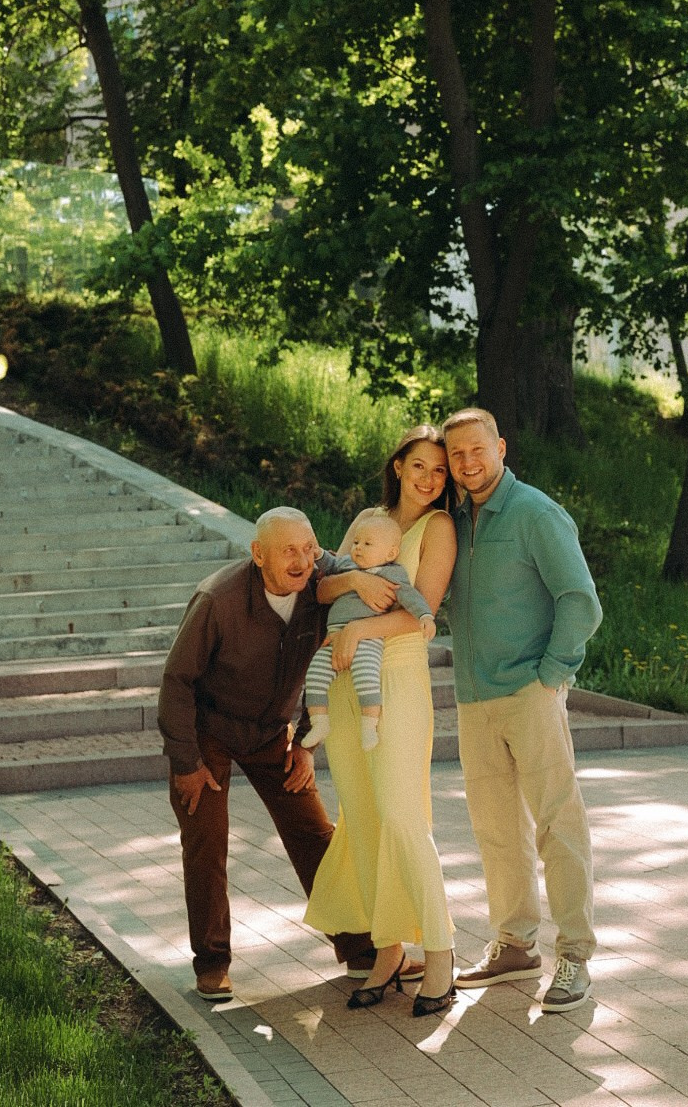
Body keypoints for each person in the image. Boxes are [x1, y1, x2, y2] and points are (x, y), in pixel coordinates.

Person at [157, 506, 374, 1002]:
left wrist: (304, 744)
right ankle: (212, 962)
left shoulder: (319, 589)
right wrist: (185, 763)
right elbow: (176, 682)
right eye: (287, 551)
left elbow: (364, 585)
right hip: (207, 730)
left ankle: (360, 946)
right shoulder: (219, 599)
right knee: (206, 837)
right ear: (258, 555)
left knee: (315, 831)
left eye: (308, 548)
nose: (301, 561)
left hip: (273, 731)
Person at [442, 407, 602, 1013]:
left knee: (557, 823)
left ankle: (576, 956)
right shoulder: (454, 520)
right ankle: (514, 944)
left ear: (501, 447)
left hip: (529, 693)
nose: (468, 463)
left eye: (478, 449)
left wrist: (551, 677)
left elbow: (579, 601)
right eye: (457, 455)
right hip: (474, 697)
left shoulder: (536, 512)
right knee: (495, 830)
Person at [303, 426, 458, 1018]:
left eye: (439, 471)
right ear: (398, 465)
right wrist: (358, 583)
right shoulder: (370, 517)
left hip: (396, 681)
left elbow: (424, 611)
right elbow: (324, 586)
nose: (429, 478)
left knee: (400, 813)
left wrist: (363, 625)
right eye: (420, 465)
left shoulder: (438, 528)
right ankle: (388, 951)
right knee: (363, 817)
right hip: (344, 684)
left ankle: (440, 952)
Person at [302, 513, 437, 752]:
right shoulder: (347, 565)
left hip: (367, 640)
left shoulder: (392, 573)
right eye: (356, 542)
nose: (358, 548)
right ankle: (319, 722)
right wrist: (319, 553)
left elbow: (409, 595)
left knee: (367, 677)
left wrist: (425, 615)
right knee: (314, 674)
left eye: (367, 544)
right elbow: (329, 567)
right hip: (334, 637)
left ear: (390, 554)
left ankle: (369, 725)